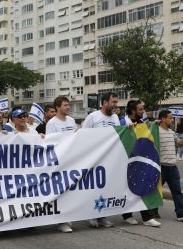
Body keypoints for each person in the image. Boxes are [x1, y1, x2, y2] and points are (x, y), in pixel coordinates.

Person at [121, 100, 161, 227]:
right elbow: (119, 136)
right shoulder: (123, 122)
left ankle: (147, 217)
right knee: (128, 188)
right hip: (126, 161)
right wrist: (125, 130)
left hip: (139, 161)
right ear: (133, 111)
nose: (143, 111)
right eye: (140, 109)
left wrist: (152, 126)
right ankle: (127, 215)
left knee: (141, 184)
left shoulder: (142, 122)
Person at [82, 92, 119, 228]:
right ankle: (90, 216)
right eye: (113, 102)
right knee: (93, 189)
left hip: (110, 160)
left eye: (116, 102)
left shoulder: (115, 117)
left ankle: (102, 216)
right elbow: (82, 136)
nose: (116, 105)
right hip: (94, 160)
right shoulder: (93, 117)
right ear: (104, 103)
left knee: (106, 189)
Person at [45, 96, 76, 233]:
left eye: (68, 105)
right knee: (60, 192)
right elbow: (50, 143)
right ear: (57, 107)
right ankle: (60, 221)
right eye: (65, 105)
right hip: (59, 162)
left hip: (72, 160)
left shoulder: (71, 120)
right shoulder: (52, 123)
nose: (68, 107)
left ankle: (67, 216)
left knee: (71, 191)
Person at [158, 110, 183, 222]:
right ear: (163, 119)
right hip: (161, 168)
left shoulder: (171, 132)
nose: (172, 120)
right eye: (170, 118)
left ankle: (180, 214)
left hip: (173, 168)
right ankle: (152, 213)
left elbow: (179, 143)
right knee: (156, 191)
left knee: (177, 191)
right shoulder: (156, 131)